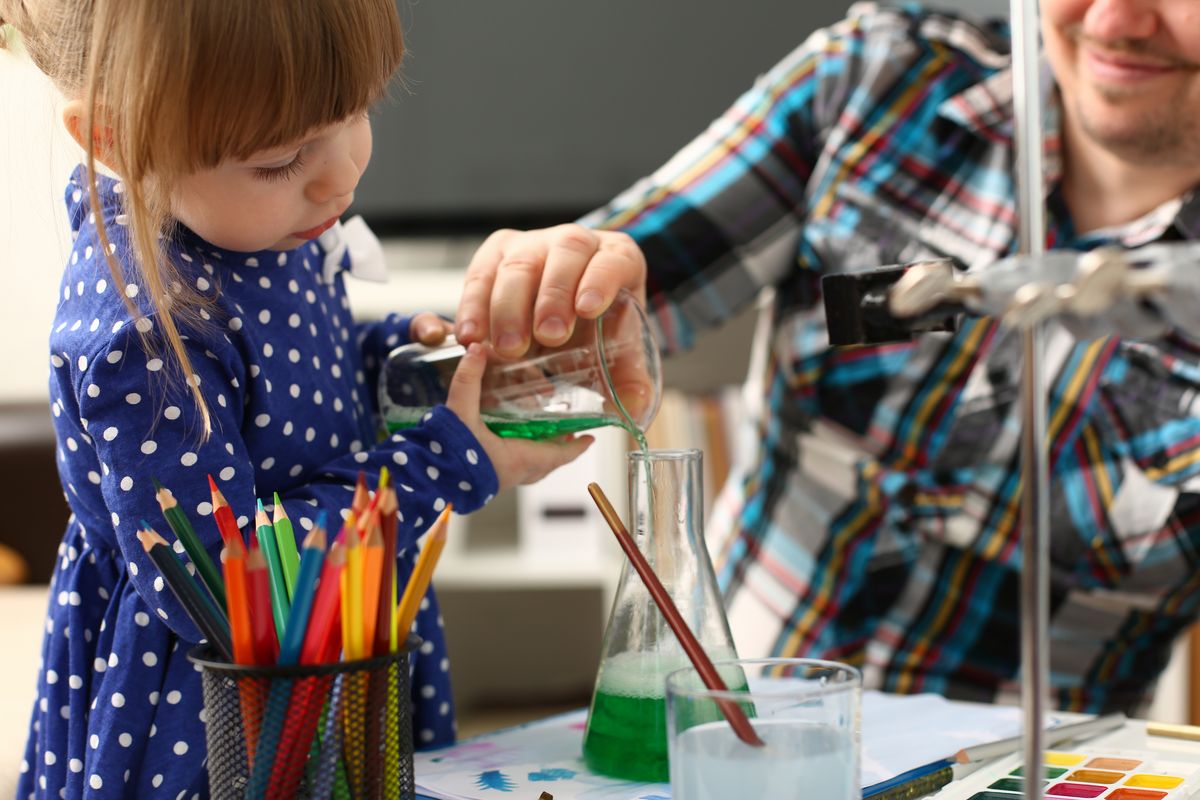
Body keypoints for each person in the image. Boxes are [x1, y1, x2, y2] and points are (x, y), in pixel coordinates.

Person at [454, 0, 1200, 716]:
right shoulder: (876, 81)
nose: (1113, 20)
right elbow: (603, 314)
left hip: (1018, 773)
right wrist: (563, 295)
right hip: (725, 743)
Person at [0, 1, 591, 797]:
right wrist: (449, 463)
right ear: (115, 138)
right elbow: (232, 589)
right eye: (281, 157)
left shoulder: (262, 220)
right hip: (219, 707)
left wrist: (398, 362)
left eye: (354, 114)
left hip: (340, 640)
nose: (341, 173)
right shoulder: (141, 333)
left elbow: (296, 386)